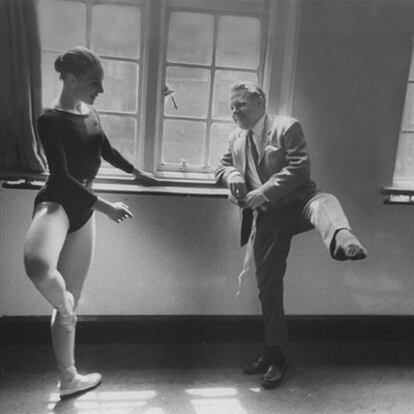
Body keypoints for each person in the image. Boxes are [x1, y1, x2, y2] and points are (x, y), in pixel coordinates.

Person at [23, 46, 157, 398]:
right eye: (94, 83)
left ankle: (68, 378)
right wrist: (106, 207)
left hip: (84, 210)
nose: (100, 90)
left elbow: (105, 149)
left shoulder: (91, 112)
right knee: (38, 267)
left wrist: (136, 172)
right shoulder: (49, 118)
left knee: (71, 302)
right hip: (59, 203)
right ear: (71, 79)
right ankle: (63, 303)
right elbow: (62, 177)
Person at [215, 81, 367, 390]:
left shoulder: (286, 127)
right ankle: (275, 355)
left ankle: (343, 238)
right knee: (268, 287)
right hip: (269, 218)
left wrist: (264, 191)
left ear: (260, 103)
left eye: (240, 105)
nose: (234, 112)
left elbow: (300, 170)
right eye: (231, 106)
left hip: (299, 203)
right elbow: (221, 166)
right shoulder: (235, 138)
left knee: (325, 202)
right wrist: (231, 174)